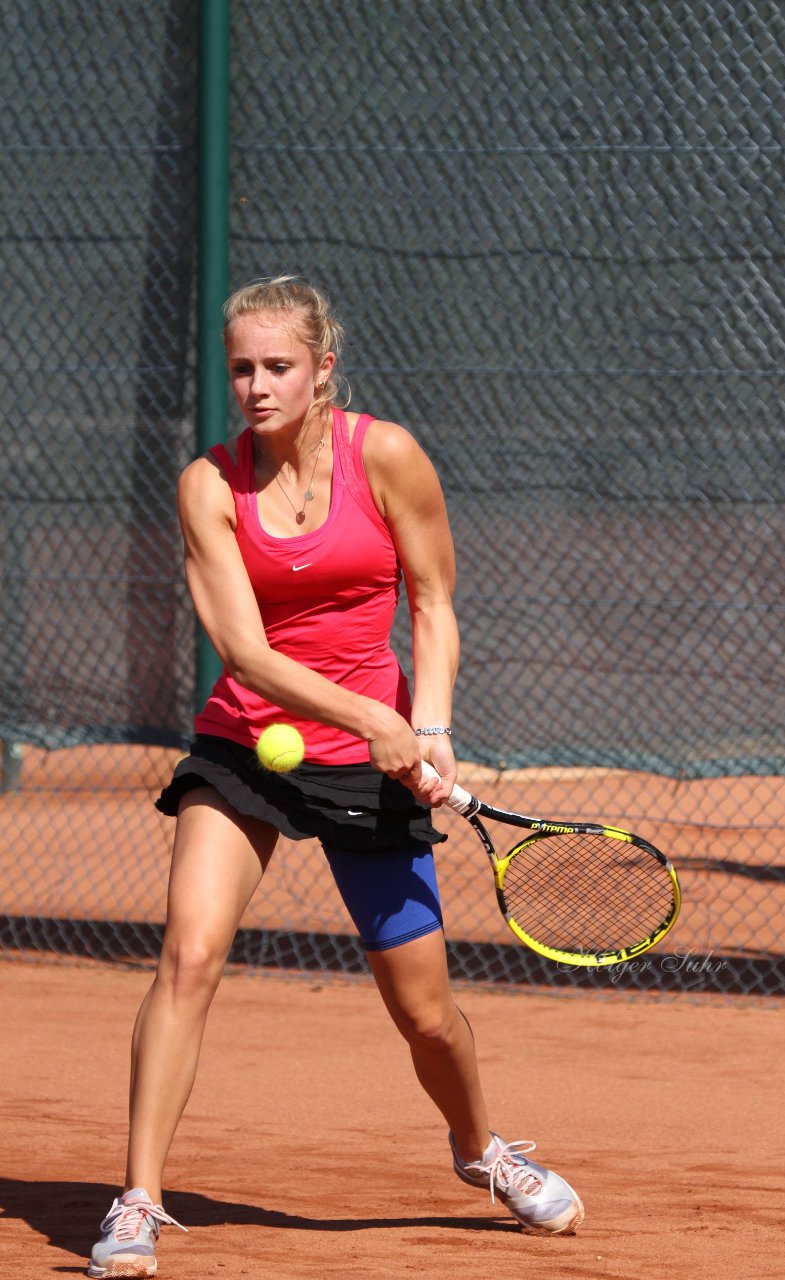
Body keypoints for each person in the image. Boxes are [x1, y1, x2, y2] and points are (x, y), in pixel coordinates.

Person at [88, 275, 583, 1278]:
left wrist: (428, 726)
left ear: (322, 367)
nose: (257, 385)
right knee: (188, 953)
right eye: (241, 368)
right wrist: (372, 715)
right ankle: (137, 1197)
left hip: (373, 765)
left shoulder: (386, 455)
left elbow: (434, 601)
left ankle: (480, 1148)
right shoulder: (206, 484)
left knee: (426, 1014)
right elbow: (244, 649)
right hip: (247, 747)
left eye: (277, 366)